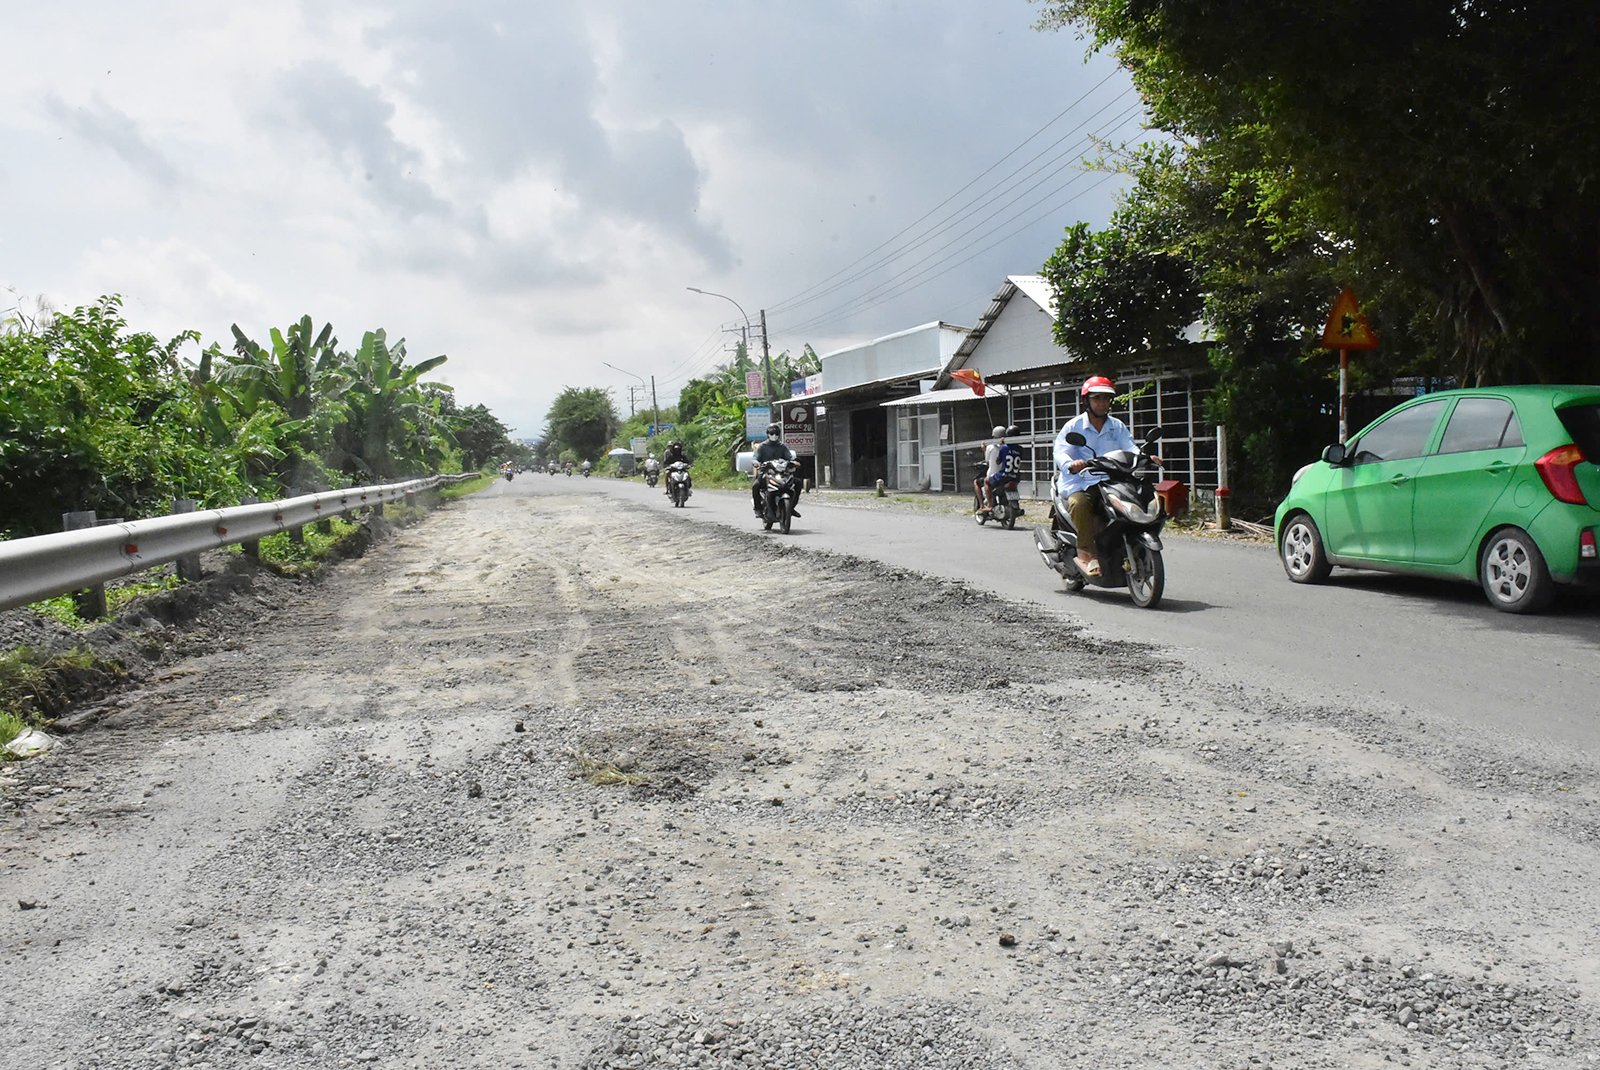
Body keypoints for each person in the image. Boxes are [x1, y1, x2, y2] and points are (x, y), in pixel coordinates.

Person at [1052, 376, 1151, 577]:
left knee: (1138, 497)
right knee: (1079, 503)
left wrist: (1144, 456)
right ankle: (1086, 553)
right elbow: (1060, 451)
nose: (1102, 403)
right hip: (1081, 481)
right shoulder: (1074, 426)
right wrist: (1071, 464)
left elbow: (1129, 446)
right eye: (1097, 398)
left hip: (1113, 479)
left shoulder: (1117, 426)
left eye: (1106, 399)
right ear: (1086, 401)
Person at [751, 422, 799, 518]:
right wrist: (757, 463)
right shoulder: (762, 446)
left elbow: (789, 457)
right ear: (768, 434)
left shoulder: (782, 446)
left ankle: (791, 507)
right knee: (756, 486)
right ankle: (758, 508)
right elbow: (755, 458)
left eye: (776, 433)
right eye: (772, 433)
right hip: (766, 472)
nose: (774, 436)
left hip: (781, 473)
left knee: (797, 483)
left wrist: (793, 462)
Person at [974, 425, 1008, 515]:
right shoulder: (1008, 446)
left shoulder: (990, 447)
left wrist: (984, 449)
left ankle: (983, 505)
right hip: (1006, 475)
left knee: (977, 482)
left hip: (994, 476)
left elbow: (987, 461)